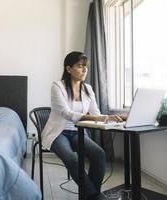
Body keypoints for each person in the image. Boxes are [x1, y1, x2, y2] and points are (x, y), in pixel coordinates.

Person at [41, 51, 124, 200]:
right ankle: (94, 196)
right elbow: (67, 113)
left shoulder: (88, 89)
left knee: (99, 155)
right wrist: (99, 117)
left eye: (85, 66)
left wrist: (111, 119)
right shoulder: (57, 86)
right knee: (72, 158)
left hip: (77, 132)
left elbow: (96, 113)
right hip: (58, 133)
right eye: (80, 66)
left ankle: (90, 195)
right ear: (68, 69)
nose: (84, 69)